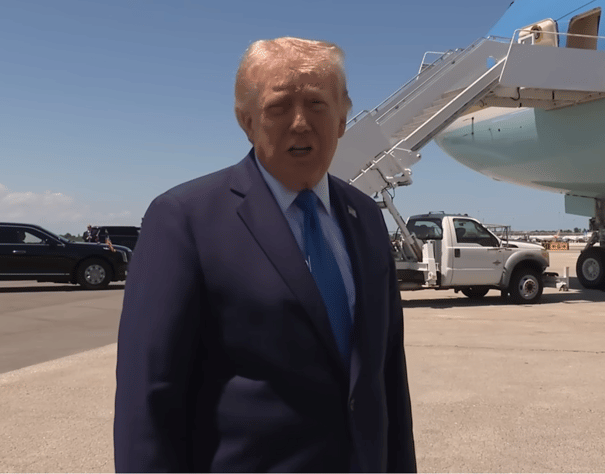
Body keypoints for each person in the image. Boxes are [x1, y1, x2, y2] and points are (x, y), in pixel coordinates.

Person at [114, 36, 416, 473]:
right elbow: (148, 396)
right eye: (278, 107)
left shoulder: (365, 217)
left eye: (316, 104)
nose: (300, 123)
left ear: (342, 118)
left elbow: (388, 374)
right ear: (247, 122)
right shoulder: (184, 220)